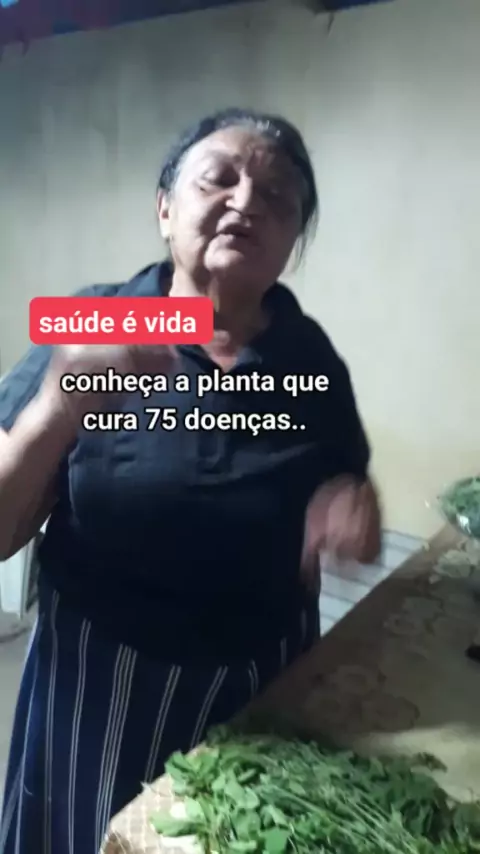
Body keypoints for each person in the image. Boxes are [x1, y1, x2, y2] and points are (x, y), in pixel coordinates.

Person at [0, 107, 381, 854]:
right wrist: (56, 407)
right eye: (219, 179)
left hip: (263, 681)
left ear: (293, 241)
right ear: (166, 208)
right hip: (102, 689)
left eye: (278, 196)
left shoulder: (311, 356)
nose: (246, 202)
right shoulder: (92, 321)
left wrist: (353, 515)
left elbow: (351, 493)